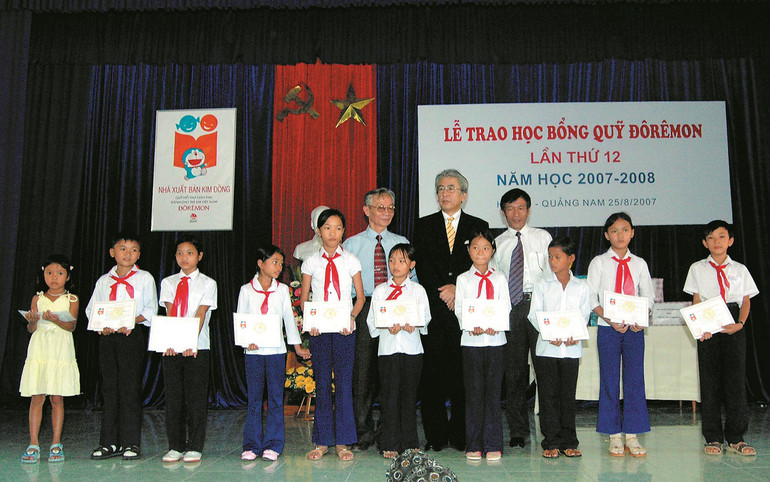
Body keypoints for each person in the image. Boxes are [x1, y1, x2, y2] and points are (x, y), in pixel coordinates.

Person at [413, 169, 489, 452]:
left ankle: (460, 435)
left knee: (462, 377)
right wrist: (443, 292)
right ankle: (435, 436)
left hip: (465, 311)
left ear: (463, 195)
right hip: (434, 309)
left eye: (451, 188)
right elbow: (422, 265)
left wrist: (458, 287)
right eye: (441, 189)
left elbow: (479, 261)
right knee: (432, 377)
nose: (445, 193)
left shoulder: (478, 225)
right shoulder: (423, 225)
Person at [683, 220, 759, 456]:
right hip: (708, 320)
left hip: (734, 321)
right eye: (711, 238)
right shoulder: (697, 268)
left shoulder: (740, 269)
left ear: (731, 241)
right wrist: (700, 327)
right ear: (705, 243)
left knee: (735, 382)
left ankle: (736, 437)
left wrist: (740, 324)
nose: (717, 242)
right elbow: (696, 300)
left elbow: (745, 300)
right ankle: (713, 437)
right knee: (710, 382)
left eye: (722, 236)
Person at [343, 187, 410, 451]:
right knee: (363, 371)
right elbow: (344, 285)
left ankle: (388, 432)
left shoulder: (401, 242)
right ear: (366, 210)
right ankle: (361, 430)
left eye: (390, 207)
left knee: (391, 371)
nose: (386, 212)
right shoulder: (352, 244)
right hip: (364, 306)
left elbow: (413, 280)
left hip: (396, 306)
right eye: (380, 207)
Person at [300, 208, 366, 461]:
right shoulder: (311, 262)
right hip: (319, 332)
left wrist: (351, 317)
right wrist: (310, 322)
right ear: (319, 231)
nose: (333, 233)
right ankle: (322, 441)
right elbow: (304, 298)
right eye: (327, 227)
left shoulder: (351, 260)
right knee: (322, 384)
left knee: (345, 385)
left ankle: (343, 442)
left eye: (338, 228)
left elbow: (360, 298)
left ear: (343, 232)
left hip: (344, 330)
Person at [586, 212, 654, 457]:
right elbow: (590, 297)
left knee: (635, 380)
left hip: (634, 330)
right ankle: (614, 434)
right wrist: (609, 319)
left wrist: (642, 317)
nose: (620, 235)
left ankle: (633, 435)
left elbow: (649, 295)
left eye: (625, 230)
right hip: (608, 329)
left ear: (632, 233)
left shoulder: (639, 263)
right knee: (609, 380)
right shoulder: (599, 262)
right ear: (607, 235)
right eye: (614, 231)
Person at [86, 232, 158, 460]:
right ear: (112, 252)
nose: (128, 254)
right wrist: (101, 325)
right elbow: (92, 309)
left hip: (131, 336)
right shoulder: (103, 281)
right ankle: (108, 442)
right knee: (109, 389)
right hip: (108, 339)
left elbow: (151, 308)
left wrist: (131, 321)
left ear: (139, 254)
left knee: (129, 389)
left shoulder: (145, 278)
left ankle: (131, 443)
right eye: (123, 249)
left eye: (133, 250)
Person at [490, 188, 552, 448]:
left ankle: (551, 430)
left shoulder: (543, 237)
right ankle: (518, 431)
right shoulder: (497, 243)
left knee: (545, 371)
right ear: (503, 212)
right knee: (514, 373)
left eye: (521, 208)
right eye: (510, 209)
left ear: (528, 210)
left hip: (538, 306)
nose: (516, 214)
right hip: (510, 309)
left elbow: (551, 275)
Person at [238, 245, 311, 462]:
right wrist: (245, 341)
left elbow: (289, 319)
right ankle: (251, 445)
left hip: (276, 352)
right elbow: (241, 320)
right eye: (274, 262)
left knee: (276, 399)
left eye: (281, 263)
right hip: (253, 353)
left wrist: (297, 347)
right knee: (254, 399)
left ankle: (273, 444)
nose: (279, 267)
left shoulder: (282, 290)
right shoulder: (246, 290)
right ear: (261, 264)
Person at [528, 237, 590, 459]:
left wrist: (576, 334)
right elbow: (534, 314)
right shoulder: (542, 285)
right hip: (547, 350)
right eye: (550, 257)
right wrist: (549, 333)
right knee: (548, 396)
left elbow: (584, 315)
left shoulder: (582, 287)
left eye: (557, 257)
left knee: (567, 396)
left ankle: (569, 441)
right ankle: (551, 442)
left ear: (571, 258)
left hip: (571, 350)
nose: (552, 261)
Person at [366, 244, 431, 458]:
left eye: (402, 261)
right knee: (390, 397)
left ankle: (410, 442)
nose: (396, 265)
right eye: (392, 260)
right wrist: (386, 326)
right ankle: (390, 442)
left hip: (412, 350)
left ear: (412, 264)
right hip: (388, 350)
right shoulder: (380, 291)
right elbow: (372, 321)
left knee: (409, 397)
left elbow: (426, 317)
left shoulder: (418, 290)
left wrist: (416, 324)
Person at [158, 235, 218, 463]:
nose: (184, 257)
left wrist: (189, 342)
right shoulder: (168, 282)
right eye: (180, 253)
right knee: (174, 398)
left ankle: (194, 446)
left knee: (195, 399)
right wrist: (172, 341)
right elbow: (170, 312)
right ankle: (175, 446)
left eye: (190, 253)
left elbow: (200, 314)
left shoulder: (208, 283)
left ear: (200, 256)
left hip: (197, 347)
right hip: (172, 347)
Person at [454, 230, 511, 461]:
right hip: (471, 342)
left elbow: (505, 306)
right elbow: (460, 309)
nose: (480, 252)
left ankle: (493, 443)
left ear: (493, 251)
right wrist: (471, 325)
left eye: (486, 248)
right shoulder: (463, 279)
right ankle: (474, 443)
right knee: (474, 393)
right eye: (475, 247)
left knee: (493, 393)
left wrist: (496, 325)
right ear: (468, 250)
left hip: (496, 342)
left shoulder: (500, 278)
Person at [19, 255, 80, 464]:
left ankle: (56, 442)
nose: (54, 277)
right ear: (43, 274)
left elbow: (71, 326)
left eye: (60, 273)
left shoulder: (72, 299)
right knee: (37, 396)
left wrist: (56, 320)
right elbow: (31, 328)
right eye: (50, 273)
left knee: (57, 397)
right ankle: (33, 443)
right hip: (40, 349)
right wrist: (32, 321)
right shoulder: (37, 299)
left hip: (60, 350)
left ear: (67, 276)